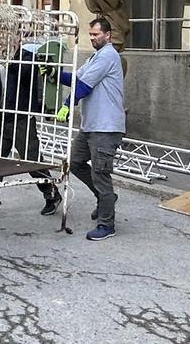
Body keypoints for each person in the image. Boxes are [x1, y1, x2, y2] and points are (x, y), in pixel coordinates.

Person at [47, 18, 125, 242]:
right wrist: (54, 74)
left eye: (96, 34)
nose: (92, 38)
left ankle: (106, 224)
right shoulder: (95, 57)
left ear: (108, 35)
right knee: (76, 162)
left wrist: (66, 105)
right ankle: (104, 199)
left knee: (101, 174)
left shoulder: (109, 55)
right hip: (91, 125)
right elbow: (76, 78)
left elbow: (84, 86)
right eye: (90, 34)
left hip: (106, 127)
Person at [0, 44, 62, 217]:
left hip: (21, 118)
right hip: (1, 118)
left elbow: (25, 73)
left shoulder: (26, 58)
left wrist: (8, 57)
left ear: (17, 37)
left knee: (31, 162)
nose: (2, 40)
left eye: (7, 35)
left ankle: (52, 194)